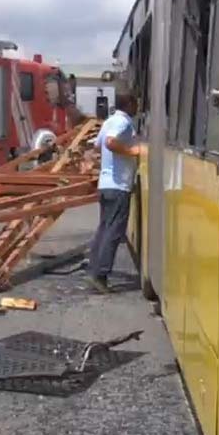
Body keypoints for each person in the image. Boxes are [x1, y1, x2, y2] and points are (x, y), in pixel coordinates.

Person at [86, 92, 142, 293]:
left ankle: (93, 270)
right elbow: (110, 142)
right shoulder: (123, 123)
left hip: (105, 184)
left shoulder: (108, 121)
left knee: (103, 228)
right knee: (114, 232)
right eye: (135, 103)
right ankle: (101, 275)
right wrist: (132, 152)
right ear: (128, 104)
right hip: (118, 186)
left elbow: (97, 146)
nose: (137, 108)